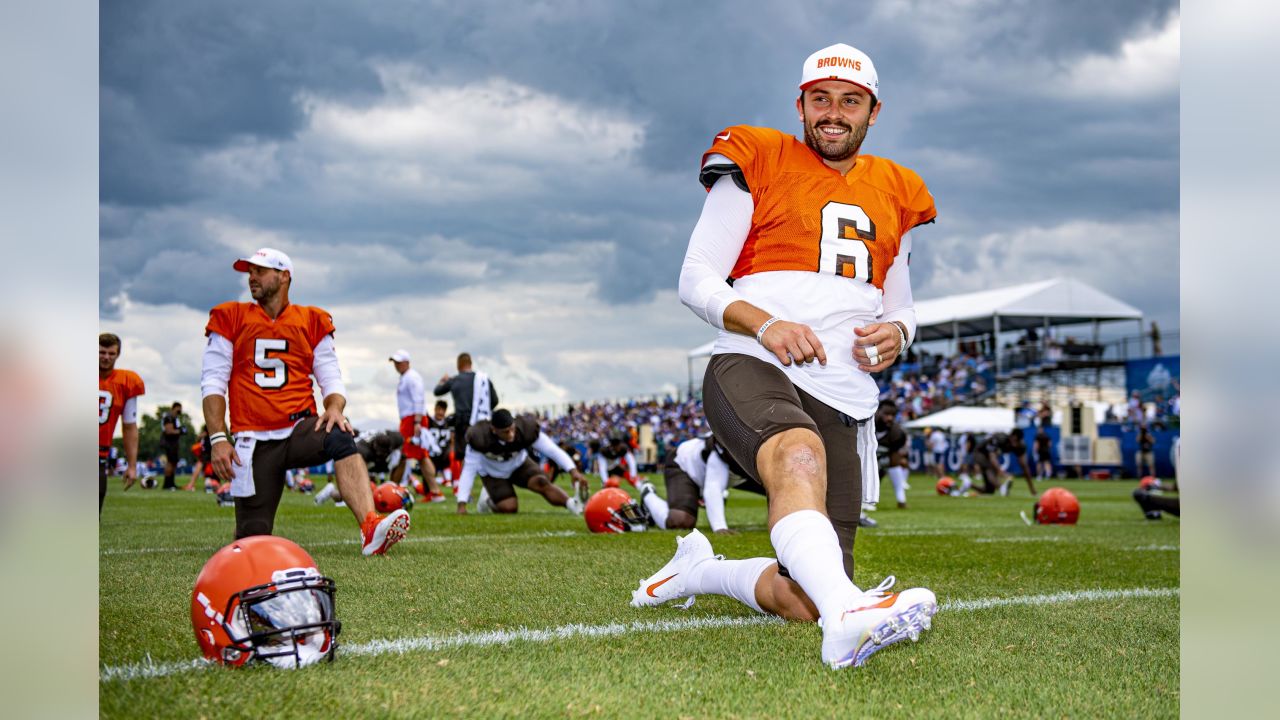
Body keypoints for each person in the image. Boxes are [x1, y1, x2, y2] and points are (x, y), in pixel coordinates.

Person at [653, 43, 937, 669]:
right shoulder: (758, 156)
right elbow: (696, 278)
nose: (834, 113)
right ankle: (849, 617)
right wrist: (768, 324)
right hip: (754, 363)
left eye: (850, 102)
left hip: (843, 389)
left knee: (799, 595)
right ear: (801, 104)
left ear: (873, 111)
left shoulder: (899, 188)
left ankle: (700, 573)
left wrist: (900, 333)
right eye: (821, 100)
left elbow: (903, 303)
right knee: (797, 454)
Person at [201, 247, 409, 555]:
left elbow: (331, 378)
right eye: (250, 272)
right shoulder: (230, 317)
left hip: (298, 428)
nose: (252, 277)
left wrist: (335, 408)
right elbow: (213, 381)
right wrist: (218, 437)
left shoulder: (311, 320)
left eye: (260, 270)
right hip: (252, 439)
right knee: (252, 538)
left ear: (284, 276)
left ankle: (370, 527)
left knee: (340, 434)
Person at [454, 408, 586, 515]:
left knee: (541, 481)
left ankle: (571, 504)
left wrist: (573, 471)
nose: (511, 434)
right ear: (494, 430)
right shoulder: (479, 436)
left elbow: (551, 449)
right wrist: (461, 504)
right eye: (506, 432)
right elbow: (468, 470)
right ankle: (487, 500)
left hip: (519, 464)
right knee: (509, 508)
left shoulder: (525, 428)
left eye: (512, 429)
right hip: (492, 472)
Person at [637, 435, 764, 533]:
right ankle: (647, 493)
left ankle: (709, 495)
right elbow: (713, 488)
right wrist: (719, 527)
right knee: (681, 521)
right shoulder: (721, 450)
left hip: (733, 475)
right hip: (684, 464)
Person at [98, 333, 145, 511]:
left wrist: (132, 466)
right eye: (101, 352)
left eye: (111, 353)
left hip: (99, 455)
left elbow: (129, 426)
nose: (106, 357)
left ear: (118, 354)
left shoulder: (126, 382)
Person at [388, 349, 443, 500]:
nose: (397, 365)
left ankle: (391, 488)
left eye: (399, 362)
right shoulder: (407, 377)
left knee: (403, 454)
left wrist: (417, 422)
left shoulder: (412, 377)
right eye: (395, 363)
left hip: (413, 420)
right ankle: (435, 491)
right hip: (410, 419)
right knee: (421, 456)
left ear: (407, 362)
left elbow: (419, 399)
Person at [434, 352, 498, 454]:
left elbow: (437, 391)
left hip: (462, 424)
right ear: (471, 364)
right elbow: (495, 401)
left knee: (464, 455)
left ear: (458, 365)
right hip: (481, 423)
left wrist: (442, 380)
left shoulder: (454, 380)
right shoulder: (483, 380)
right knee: (481, 452)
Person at [875, 400, 910, 510]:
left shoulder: (897, 432)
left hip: (883, 458)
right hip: (864, 459)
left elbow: (894, 457)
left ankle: (901, 500)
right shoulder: (865, 425)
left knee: (894, 468)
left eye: (893, 415)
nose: (890, 418)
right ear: (877, 412)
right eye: (886, 414)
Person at [1000, 429, 1037, 496]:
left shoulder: (1021, 445)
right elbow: (991, 458)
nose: (1015, 444)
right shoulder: (1001, 440)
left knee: (1025, 466)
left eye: (1018, 441)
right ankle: (1001, 485)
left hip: (1000, 454)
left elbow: (1024, 466)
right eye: (1015, 440)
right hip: (989, 453)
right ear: (1011, 436)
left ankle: (1003, 485)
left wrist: (1032, 488)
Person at [160, 401, 187, 490]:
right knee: (170, 463)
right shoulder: (169, 417)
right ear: (174, 408)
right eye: (178, 409)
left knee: (174, 463)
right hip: (169, 443)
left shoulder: (175, 418)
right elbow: (169, 431)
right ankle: (167, 484)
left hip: (174, 444)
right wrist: (180, 431)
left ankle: (171, 483)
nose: (179, 411)